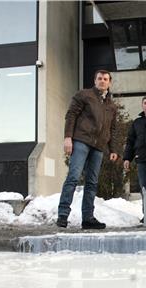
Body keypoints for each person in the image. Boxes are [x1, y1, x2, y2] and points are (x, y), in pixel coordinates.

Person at [56, 69, 119, 229]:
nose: (102, 81)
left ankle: (88, 218)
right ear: (95, 80)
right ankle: (63, 215)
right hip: (81, 141)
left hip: (98, 147)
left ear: (109, 82)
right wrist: (68, 137)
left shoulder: (111, 106)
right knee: (73, 177)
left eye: (105, 79)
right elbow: (71, 115)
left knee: (92, 182)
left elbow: (112, 129)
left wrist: (113, 149)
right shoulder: (84, 95)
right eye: (99, 78)